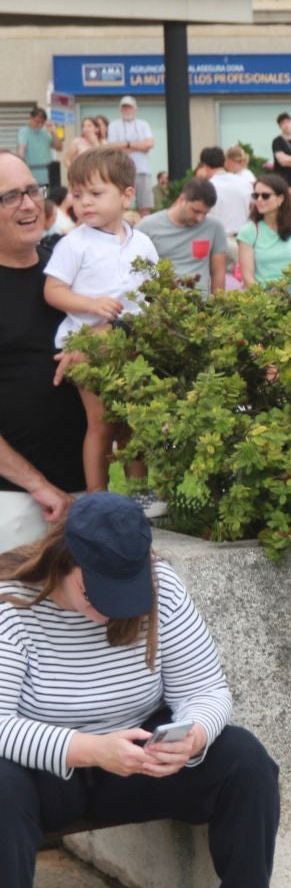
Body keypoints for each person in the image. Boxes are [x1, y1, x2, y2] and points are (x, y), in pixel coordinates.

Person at [2, 494, 291, 888]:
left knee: (244, 759)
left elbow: (206, 689)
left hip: (138, 762)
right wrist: (88, 748)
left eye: (125, 591)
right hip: (46, 776)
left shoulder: (161, 585)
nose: (109, 610)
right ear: (66, 558)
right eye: (96, 592)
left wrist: (193, 737)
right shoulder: (12, 605)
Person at [42, 147, 159, 493]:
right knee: (102, 423)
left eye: (95, 193)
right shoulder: (74, 244)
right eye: (78, 195)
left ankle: (142, 495)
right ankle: (97, 498)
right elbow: (53, 291)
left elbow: (153, 291)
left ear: (127, 196)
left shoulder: (143, 242)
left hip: (133, 343)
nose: (85, 203)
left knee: (134, 422)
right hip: (86, 346)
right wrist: (90, 304)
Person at [0, 153, 85, 554]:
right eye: (10, 197)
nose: (30, 204)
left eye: (32, 190)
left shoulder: (65, 273)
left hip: (86, 493)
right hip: (14, 500)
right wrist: (36, 484)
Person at [137, 177, 226, 294]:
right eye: (196, 211)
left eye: (205, 213)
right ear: (182, 199)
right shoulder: (147, 226)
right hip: (163, 305)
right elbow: (138, 267)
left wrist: (218, 307)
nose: (200, 218)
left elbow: (218, 273)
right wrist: (161, 281)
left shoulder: (215, 227)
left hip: (200, 306)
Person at [235, 175, 291, 288]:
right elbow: (248, 278)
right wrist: (265, 302)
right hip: (260, 298)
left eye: (265, 196)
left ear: (280, 199)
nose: (259, 200)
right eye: (256, 195)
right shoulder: (248, 232)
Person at [103, 97, 156, 212]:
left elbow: (149, 144)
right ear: (120, 110)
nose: (127, 110)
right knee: (123, 205)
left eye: (129, 107)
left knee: (144, 207)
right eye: (124, 107)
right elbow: (111, 147)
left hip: (142, 170)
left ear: (135, 109)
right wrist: (139, 146)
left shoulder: (143, 124)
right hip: (121, 171)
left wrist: (125, 145)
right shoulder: (113, 125)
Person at [14, 108, 56, 189]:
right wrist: (20, 167)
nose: (39, 124)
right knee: (33, 196)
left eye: (42, 122)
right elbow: (21, 149)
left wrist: (53, 131)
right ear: (30, 117)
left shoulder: (44, 132)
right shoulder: (24, 132)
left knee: (44, 196)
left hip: (45, 172)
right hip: (31, 171)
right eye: (37, 121)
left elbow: (59, 147)